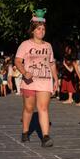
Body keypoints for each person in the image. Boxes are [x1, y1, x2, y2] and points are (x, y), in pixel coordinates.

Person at [15, 19, 58, 147]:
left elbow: (51, 63)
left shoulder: (48, 46)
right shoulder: (25, 44)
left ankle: (45, 137)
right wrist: (24, 72)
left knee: (43, 108)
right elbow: (17, 61)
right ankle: (25, 132)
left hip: (45, 81)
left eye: (43, 29)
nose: (41, 31)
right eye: (38, 28)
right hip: (29, 81)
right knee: (29, 108)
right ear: (33, 30)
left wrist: (56, 78)